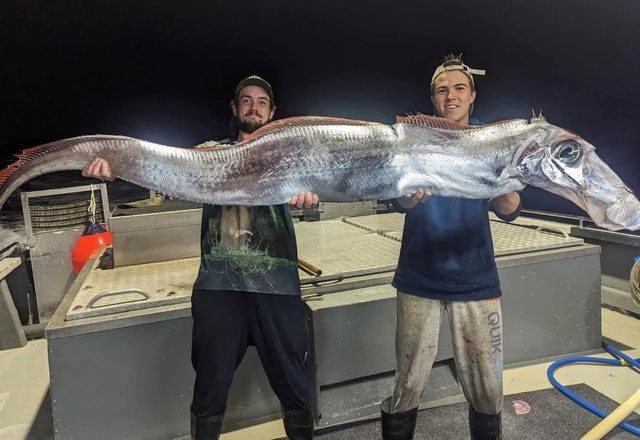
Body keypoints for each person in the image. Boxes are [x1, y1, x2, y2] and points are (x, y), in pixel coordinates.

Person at [82, 75, 318, 440]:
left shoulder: (293, 156)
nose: (253, 107)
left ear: (273, 112)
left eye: (261, 101)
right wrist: (116, 168)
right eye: (245, 100)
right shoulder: (209, 153)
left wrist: (311, 194)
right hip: (218, 285)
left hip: (277, 285)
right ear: (234, 107)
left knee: (294, 384)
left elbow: (324, 182)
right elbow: (163, 168)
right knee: (211, 385)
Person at [380, 55, 521, 440]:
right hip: (419, 276)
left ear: (472, 95)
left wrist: (498, 179)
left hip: (476, 279)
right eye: (443, 90)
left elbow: (510, 208)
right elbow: (399, 200)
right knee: (407, 384)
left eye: (459, 88)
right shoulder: (414, 141)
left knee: (487, 388)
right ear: (433, 98)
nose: (451, 96)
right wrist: (409, 197)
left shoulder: (490, 142)